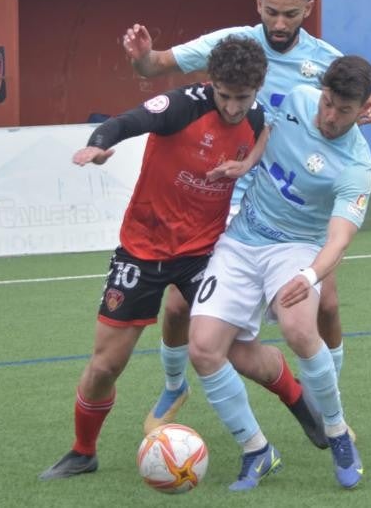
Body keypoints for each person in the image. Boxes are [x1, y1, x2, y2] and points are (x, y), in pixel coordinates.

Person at [123, 0, 371, 433]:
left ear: (307, 10)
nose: (279, 23)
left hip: (290, 206)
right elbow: (157, 65)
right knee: (177, 306)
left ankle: (328, 402)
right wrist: (140, 57)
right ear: (258, 5)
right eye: (271, 12)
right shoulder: (230, 43)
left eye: (291, 14)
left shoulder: (324, 62)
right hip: (224, 192)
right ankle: (174, 385)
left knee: (326, 303)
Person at [38, 36, 325, 481]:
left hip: (205, 252)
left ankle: (299, 402)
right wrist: (98, 146)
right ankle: (83, 450)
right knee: (105, 366)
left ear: (258, 88)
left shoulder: (260, 117)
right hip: (142, 247)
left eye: (242, 98)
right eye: (224, 96)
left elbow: (296, 140)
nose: (232, 107)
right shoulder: (181, 106)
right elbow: (124, 123)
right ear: (211, 83)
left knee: (239, 352)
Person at [189, 55, 371, 491]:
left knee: (297, 327)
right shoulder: (297, 97)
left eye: (343, 110)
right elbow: (270, 134)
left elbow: (339, 239)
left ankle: (336, 432)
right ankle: (257, 450)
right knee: (203, 349)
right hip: (240, 238)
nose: (329, 116)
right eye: (327, 103)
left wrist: (310, 276)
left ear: (363, 109)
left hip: (296, 247)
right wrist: (246, 164)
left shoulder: (356, 164)